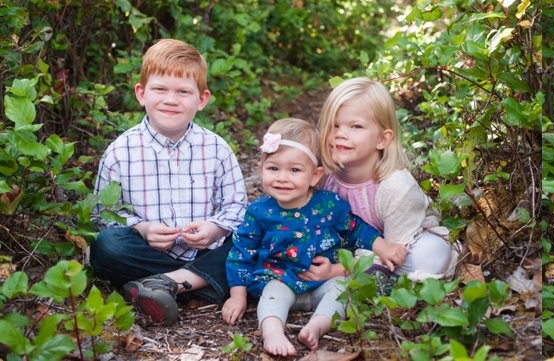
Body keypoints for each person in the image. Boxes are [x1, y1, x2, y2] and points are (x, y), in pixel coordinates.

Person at [89, 38, 248, 326]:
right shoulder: (120, 151)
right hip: (146, 253)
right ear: (141, 93)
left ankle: (165, 285)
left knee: (252, 240)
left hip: (206, 249)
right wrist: (143, 228)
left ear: (201, 99)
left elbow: (237, 208)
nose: (171, 100)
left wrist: (214, 229)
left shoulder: (216, 148)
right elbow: (102, 216)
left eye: (183, 92)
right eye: (160, 89)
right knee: (106, 246)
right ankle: (200, 283)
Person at [221, 118, 383, 356]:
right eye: (273, 168)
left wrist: (381, 245)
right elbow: (241, 252)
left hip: (322, 282)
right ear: (261, 169)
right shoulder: (259, 211)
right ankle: (273, 330)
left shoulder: (330, 205)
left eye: (295, 170)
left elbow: (355, 230)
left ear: (315, 176)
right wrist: (237, 295)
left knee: (343, 289)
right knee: (272, 295)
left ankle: (318, 325)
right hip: (279, 279)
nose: (282, 178)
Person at [298, 77, 458, 284]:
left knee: (429, 255)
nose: (340, 134)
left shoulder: (396, 186)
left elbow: (395, 252)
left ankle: (349, 274)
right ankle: (348, 274)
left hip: (402, 245)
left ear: (382, 139)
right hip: (349, 248)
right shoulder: (325, 176)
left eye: (355, 126)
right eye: (334, 125)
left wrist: (337, 270)